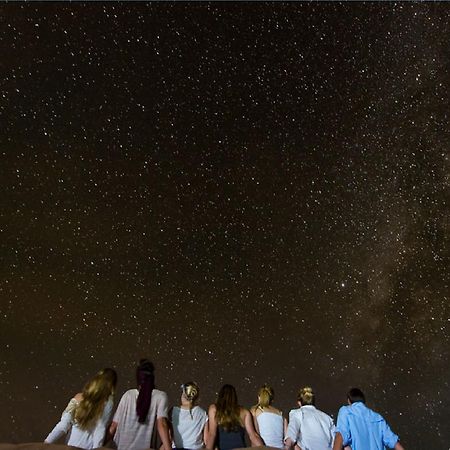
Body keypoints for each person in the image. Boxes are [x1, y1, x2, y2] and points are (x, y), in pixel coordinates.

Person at [45, 367, 117, 449]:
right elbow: (100, 429)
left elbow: (63, 425)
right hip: (88, 448)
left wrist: (46, 443)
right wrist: (97, 448)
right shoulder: (107, 403)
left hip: (70, 446)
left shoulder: (77, 398)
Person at [109, 359, 171, 450]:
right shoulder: (160, 396)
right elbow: (162, 424)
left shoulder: (127, 395)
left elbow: (114, 426)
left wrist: (99, 446)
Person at [333, 387, 406, 450]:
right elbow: (395, 443)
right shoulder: (378, 418)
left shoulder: (346, 411)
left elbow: (341, 435)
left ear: (349, 401)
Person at [206, 384, 263, 450]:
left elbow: (212, 434)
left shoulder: (214, 409)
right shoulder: (245, 412)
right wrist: (264, 448)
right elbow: (253, 435)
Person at [170, 381, 208, 450]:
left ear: (183, 394)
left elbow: (169, 436)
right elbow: (206, 439)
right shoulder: (203, 413)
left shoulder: (173, 411)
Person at [249, 384, 287, 448]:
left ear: (259, 397)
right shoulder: (281, 414)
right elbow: (287, 438)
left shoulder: (255, 411)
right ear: (272, 399)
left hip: (265, 448)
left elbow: (255, 436)